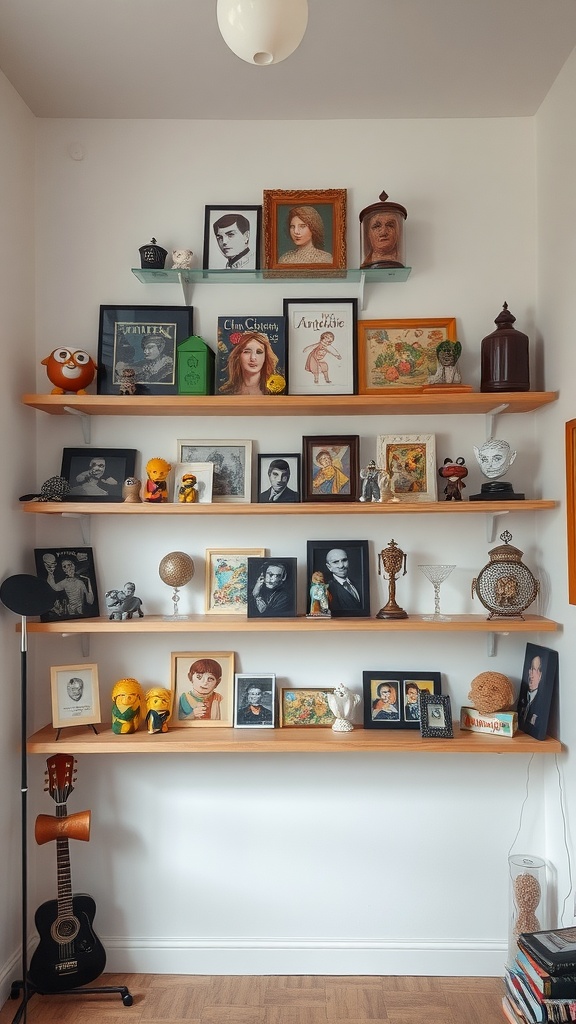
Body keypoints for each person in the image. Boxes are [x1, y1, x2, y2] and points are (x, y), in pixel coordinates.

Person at [219, 330, 279, 396]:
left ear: (266, 357)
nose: (253, 358)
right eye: (247, 352)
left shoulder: (274, 392)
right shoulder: (225, 392)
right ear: (238, 356)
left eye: (259, 352)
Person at [517, 654, 548, 734]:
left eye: (534, 669)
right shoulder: (522, 699)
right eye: (530, 669)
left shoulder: (543, 705)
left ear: (540, 675)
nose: (531, 674)